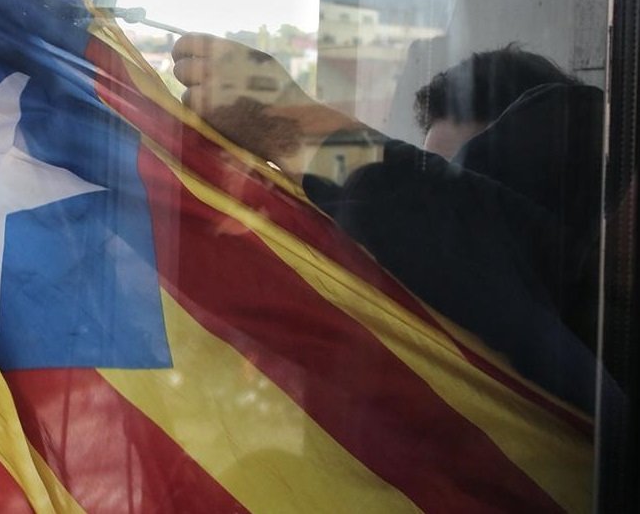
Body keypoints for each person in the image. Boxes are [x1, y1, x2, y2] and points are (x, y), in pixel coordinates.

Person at [172, 35, 605, 410]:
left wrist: (295, 127)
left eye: (461, 178)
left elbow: (472, 236)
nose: (429, 219)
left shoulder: (590, 308)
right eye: (434, 170)